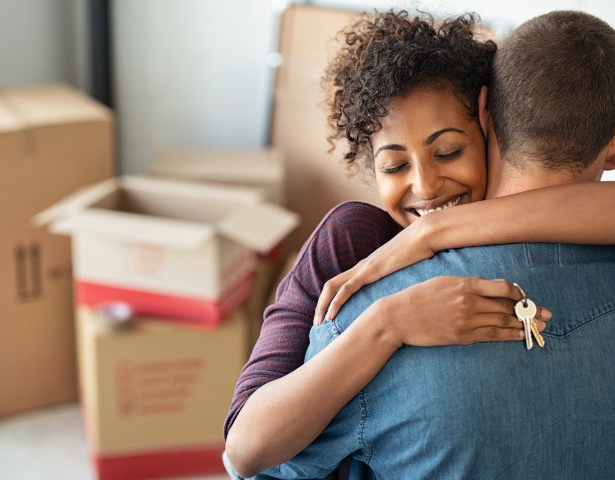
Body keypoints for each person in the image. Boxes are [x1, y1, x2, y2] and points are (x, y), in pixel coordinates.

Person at [224, 10, 615, 479]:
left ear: (485, 118)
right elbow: (244, 451)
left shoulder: (378, 292)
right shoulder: (349, 255)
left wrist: (433, 233)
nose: (427, 187)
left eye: (449, 152)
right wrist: (386, 324)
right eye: (394, 166)